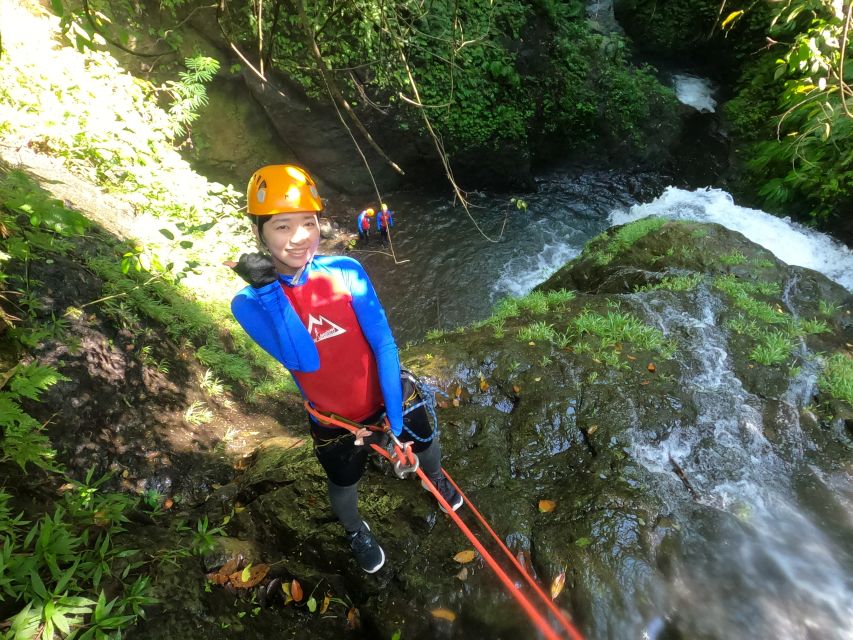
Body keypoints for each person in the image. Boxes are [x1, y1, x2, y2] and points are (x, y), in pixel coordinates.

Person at [229, 165, 462, 575]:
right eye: (282, 227)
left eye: (308, 223)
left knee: (424, 441)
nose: (300, 237)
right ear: (260, 234)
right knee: (343, 482)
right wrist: (270, 291)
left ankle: (436, 477)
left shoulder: (345, 271)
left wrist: (392, 418)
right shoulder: (249, 303)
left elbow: (384, 343)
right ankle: (355, 529)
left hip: (387, 390)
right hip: (334, 419)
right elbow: (305, 360)